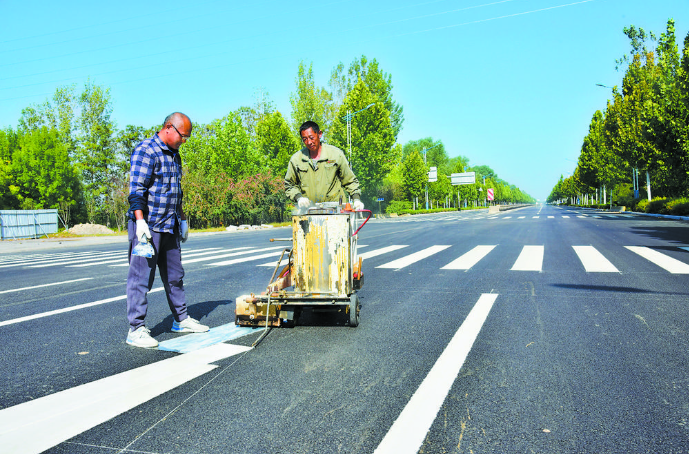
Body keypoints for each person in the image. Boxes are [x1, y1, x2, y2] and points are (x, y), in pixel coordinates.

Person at [125, 112, 209, 349]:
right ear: (169, 128)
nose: (184, 141)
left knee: (175, 277)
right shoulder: (146, 150)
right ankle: (136, 329)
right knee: (141, 278)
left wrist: (182, 219)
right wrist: (140, 222)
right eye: (183, 136)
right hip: (148, 227)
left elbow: (176, 190)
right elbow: (136, 190)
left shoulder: (175, 155)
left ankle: (181, 320)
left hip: (169, 225)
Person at [285, 121, 365, 210]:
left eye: (311, 138)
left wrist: (356, 199)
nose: (309, 142)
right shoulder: (296, 160)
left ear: (319, 134)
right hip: (309, 211)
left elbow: (350, 181)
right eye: (305, 139)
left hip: (336, 210)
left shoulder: (335, 154)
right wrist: (299, 198)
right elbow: (289, 185)